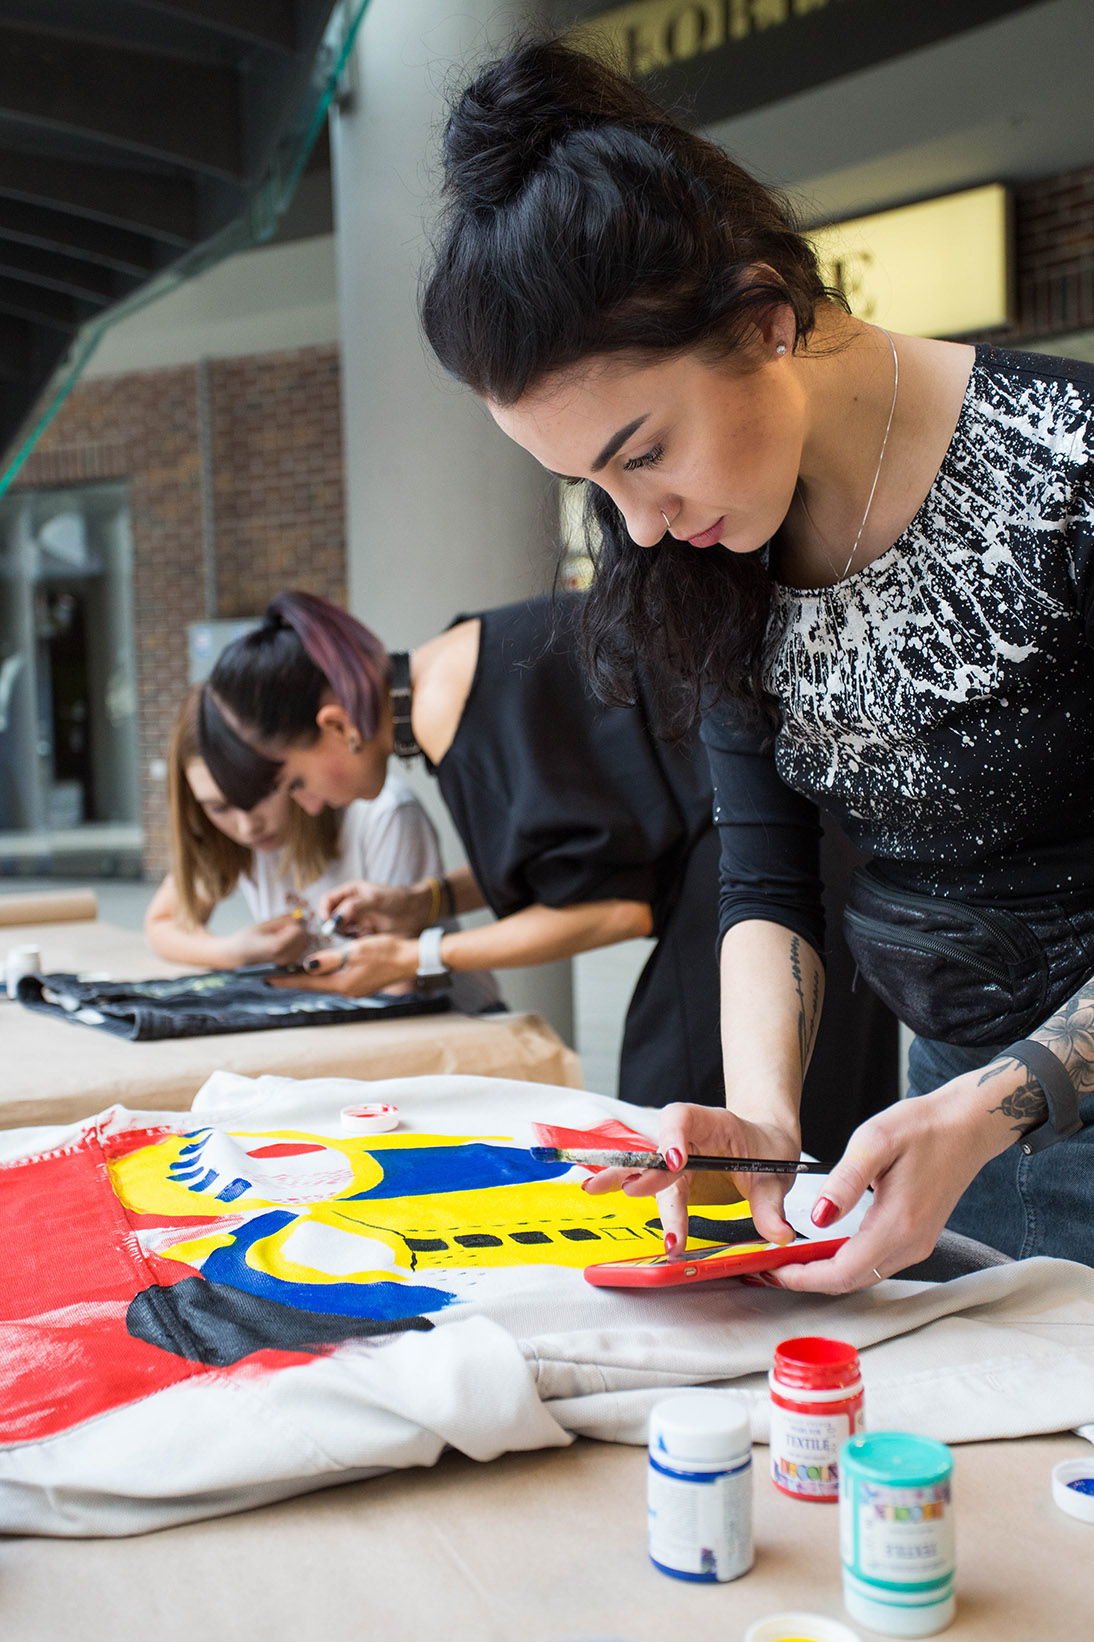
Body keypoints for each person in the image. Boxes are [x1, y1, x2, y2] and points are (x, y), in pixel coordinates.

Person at [417, 38, 1094, 1285]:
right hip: (941, 1118)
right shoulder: (717, 555)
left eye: (642, 453)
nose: (637, 524)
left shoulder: (1070, 465)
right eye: (593, 485)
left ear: (762, 318)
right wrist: (765, 1124)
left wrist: (1002, 1101)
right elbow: (763, 870)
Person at [144, 686, 450, 976]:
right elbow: (163, 923)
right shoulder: (226, 838)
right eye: (218, 808)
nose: (248, 826)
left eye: (259, 795)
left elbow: (400, 984)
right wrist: (233, 952)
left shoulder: (384, 812)